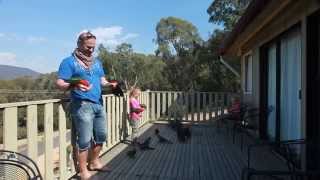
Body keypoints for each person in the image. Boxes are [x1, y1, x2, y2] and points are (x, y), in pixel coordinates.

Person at [56, 31, 116, 179]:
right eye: (88, 47)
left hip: (98, 104)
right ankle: (83, 171)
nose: (91, 50)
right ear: (79, 44)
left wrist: (110, 84)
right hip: (82, 105)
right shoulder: (68, 62)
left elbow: (102, 80)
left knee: (101, 136)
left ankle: (95, 162)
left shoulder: (97, 62)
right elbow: (60, 82)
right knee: (83, 140)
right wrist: (73, 86)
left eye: (93, 47)